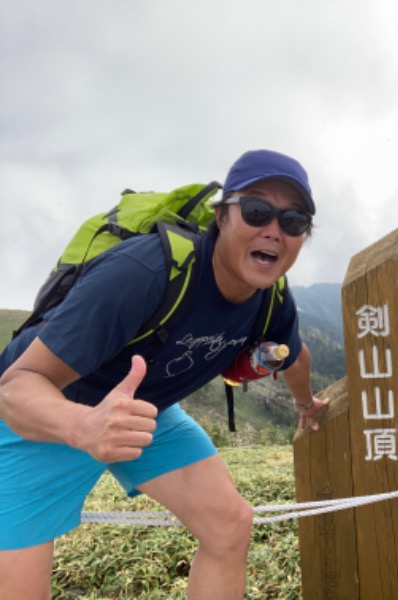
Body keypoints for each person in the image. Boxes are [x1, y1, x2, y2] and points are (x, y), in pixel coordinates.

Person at [0, 149, 329, 599]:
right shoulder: (144, 272)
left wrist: (307, 405)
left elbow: (295, 356)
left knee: (229, 525)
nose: (274, 229)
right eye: (256, 211)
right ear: (222, 216)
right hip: (45, 413)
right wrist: (85, 426)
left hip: (142, 410)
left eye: (293, 221)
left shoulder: (270, 299)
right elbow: (16, 386)